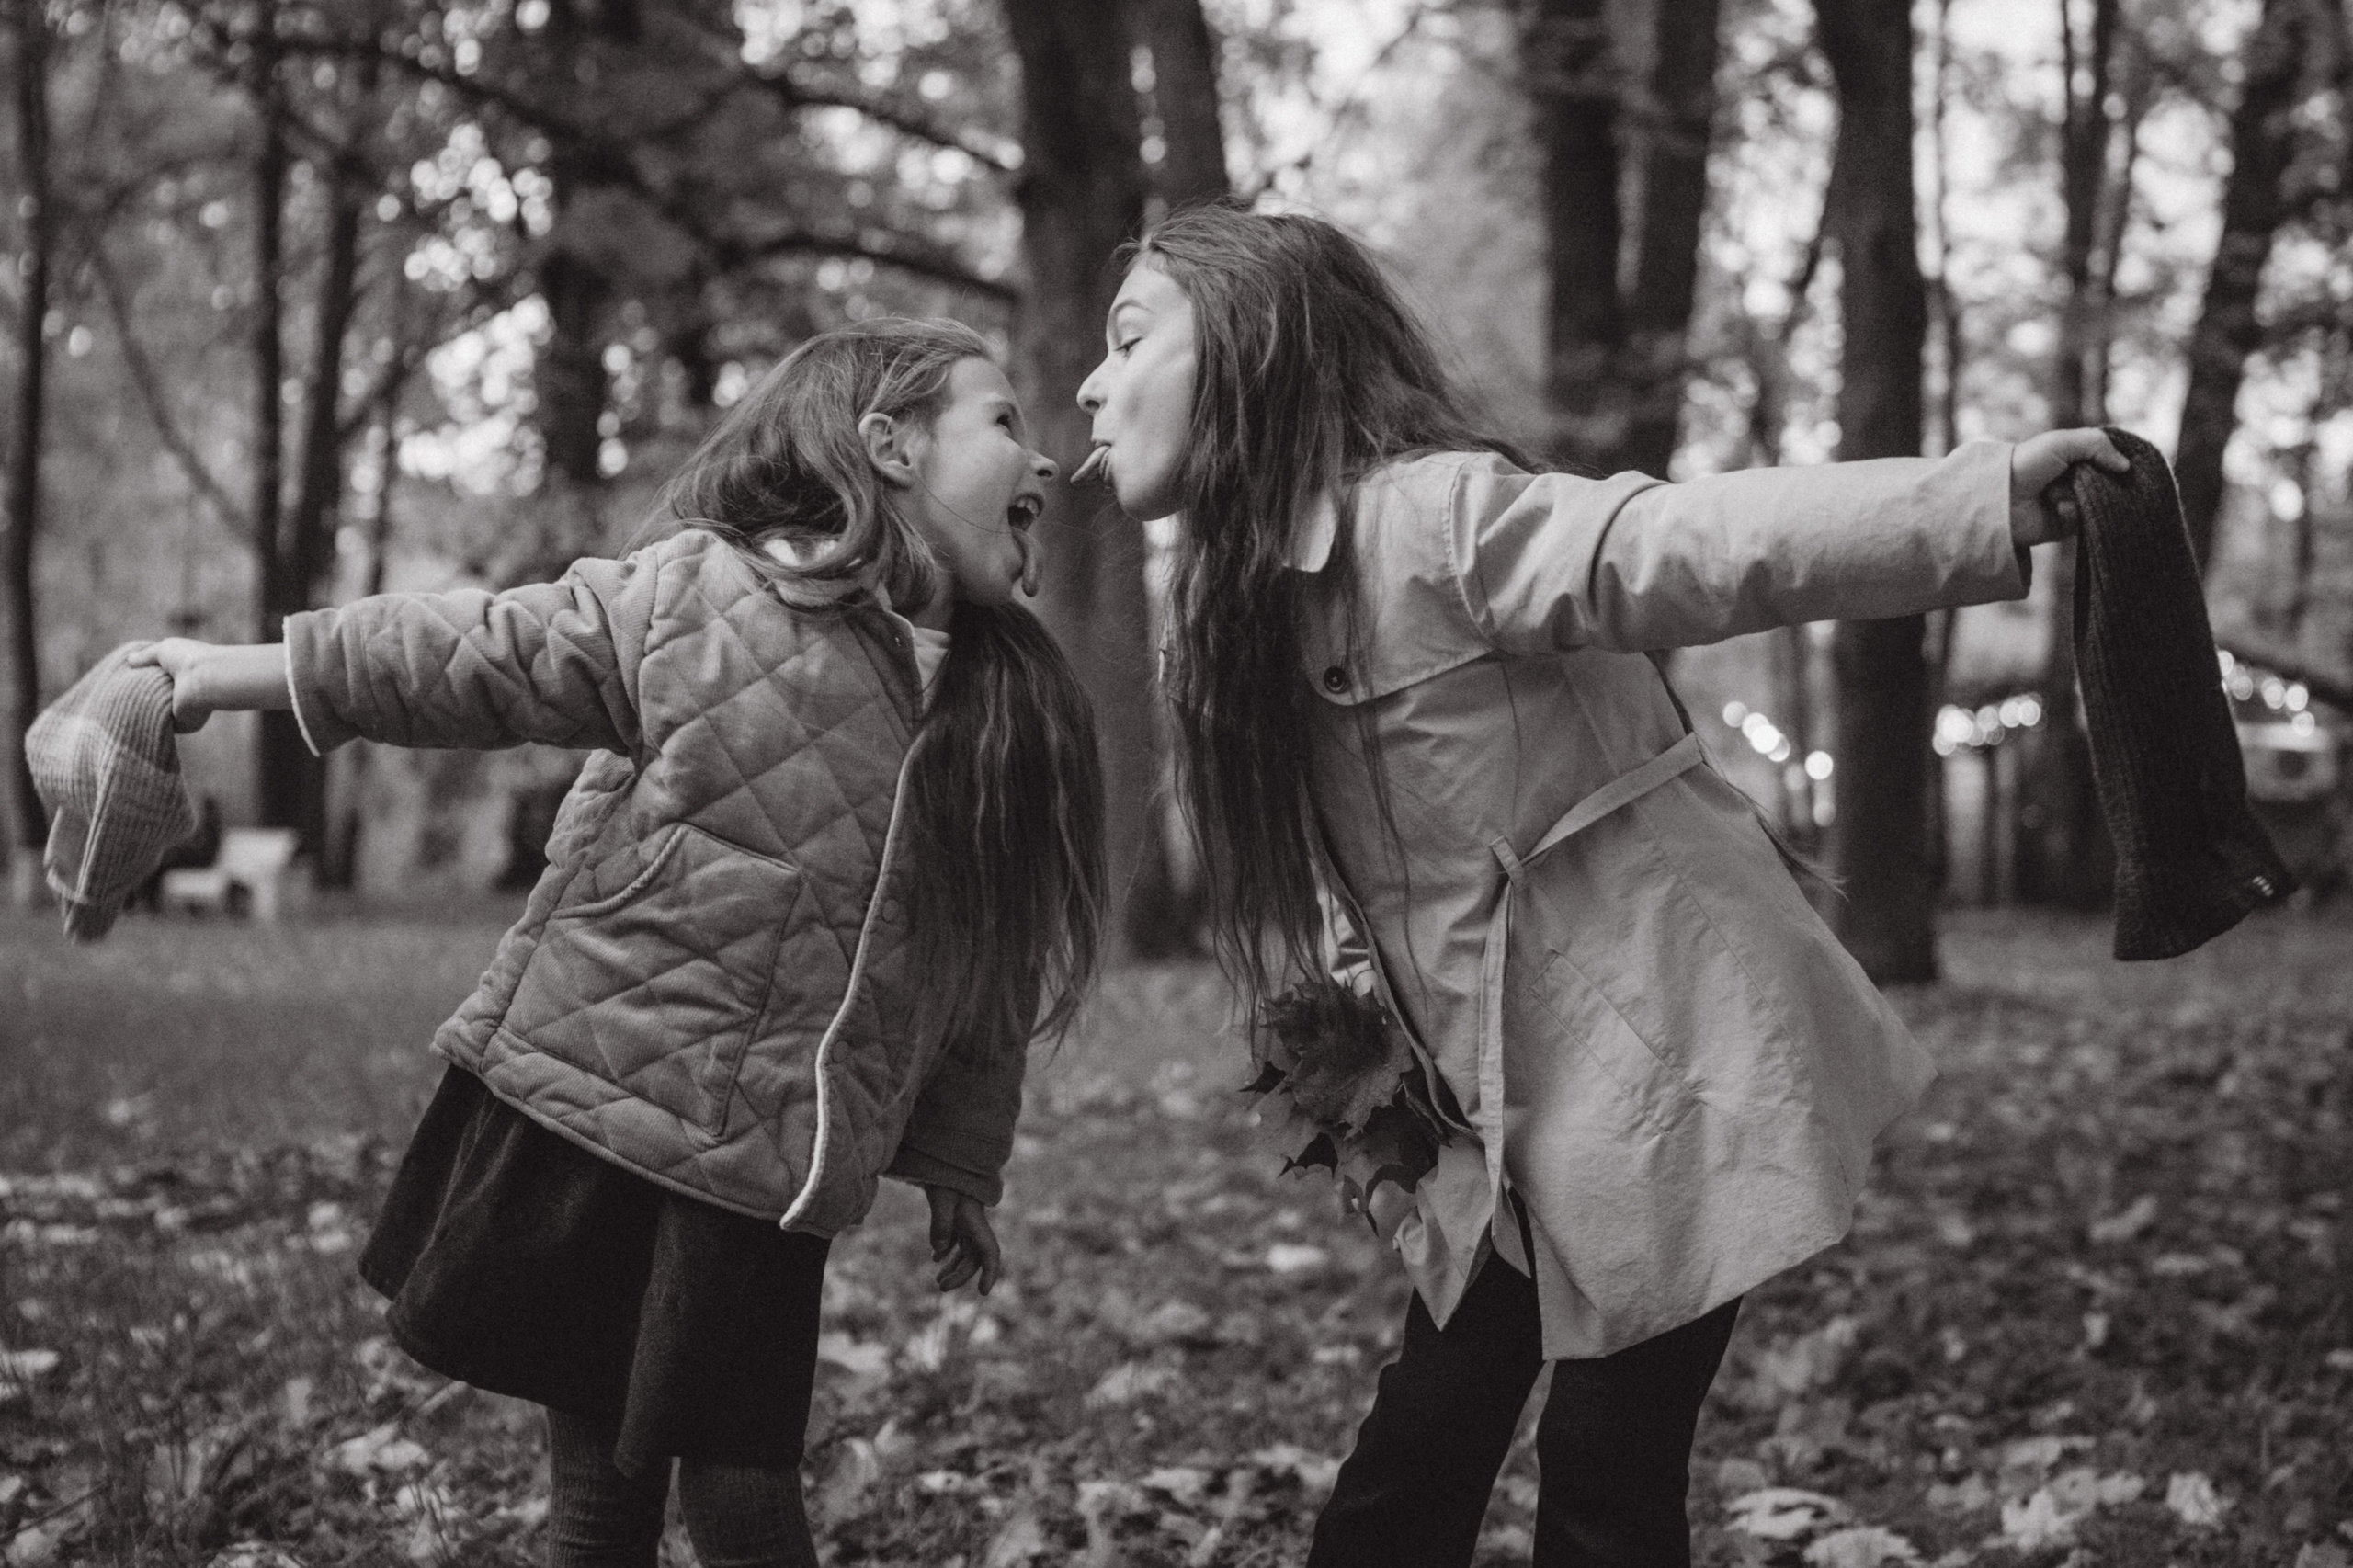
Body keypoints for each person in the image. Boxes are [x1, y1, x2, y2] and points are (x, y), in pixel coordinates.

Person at [1074, 201, 2125, 1568]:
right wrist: (1355, 1043)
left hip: (1658, 1063)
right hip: (1495, 1119)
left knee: (1605, 1470)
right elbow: (1376, 872)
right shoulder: (1251, 606)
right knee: (1421, 1443)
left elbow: (1685, 543)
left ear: (1256, 345)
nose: (1095, 382)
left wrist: (1973, 502)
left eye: (1132, 337)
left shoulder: (1434, 520)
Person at [131, 319, 1105, 1568]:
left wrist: (961, 1161)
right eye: (1006, 420)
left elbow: (985, 957)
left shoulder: (995, 700)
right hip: (599, 1104)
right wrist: (228, 672)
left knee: (744, 1490)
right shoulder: (703, 596)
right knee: (601, 1493)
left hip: (761, 1175)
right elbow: (473, 654)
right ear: (891, 444)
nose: (1048, 460)